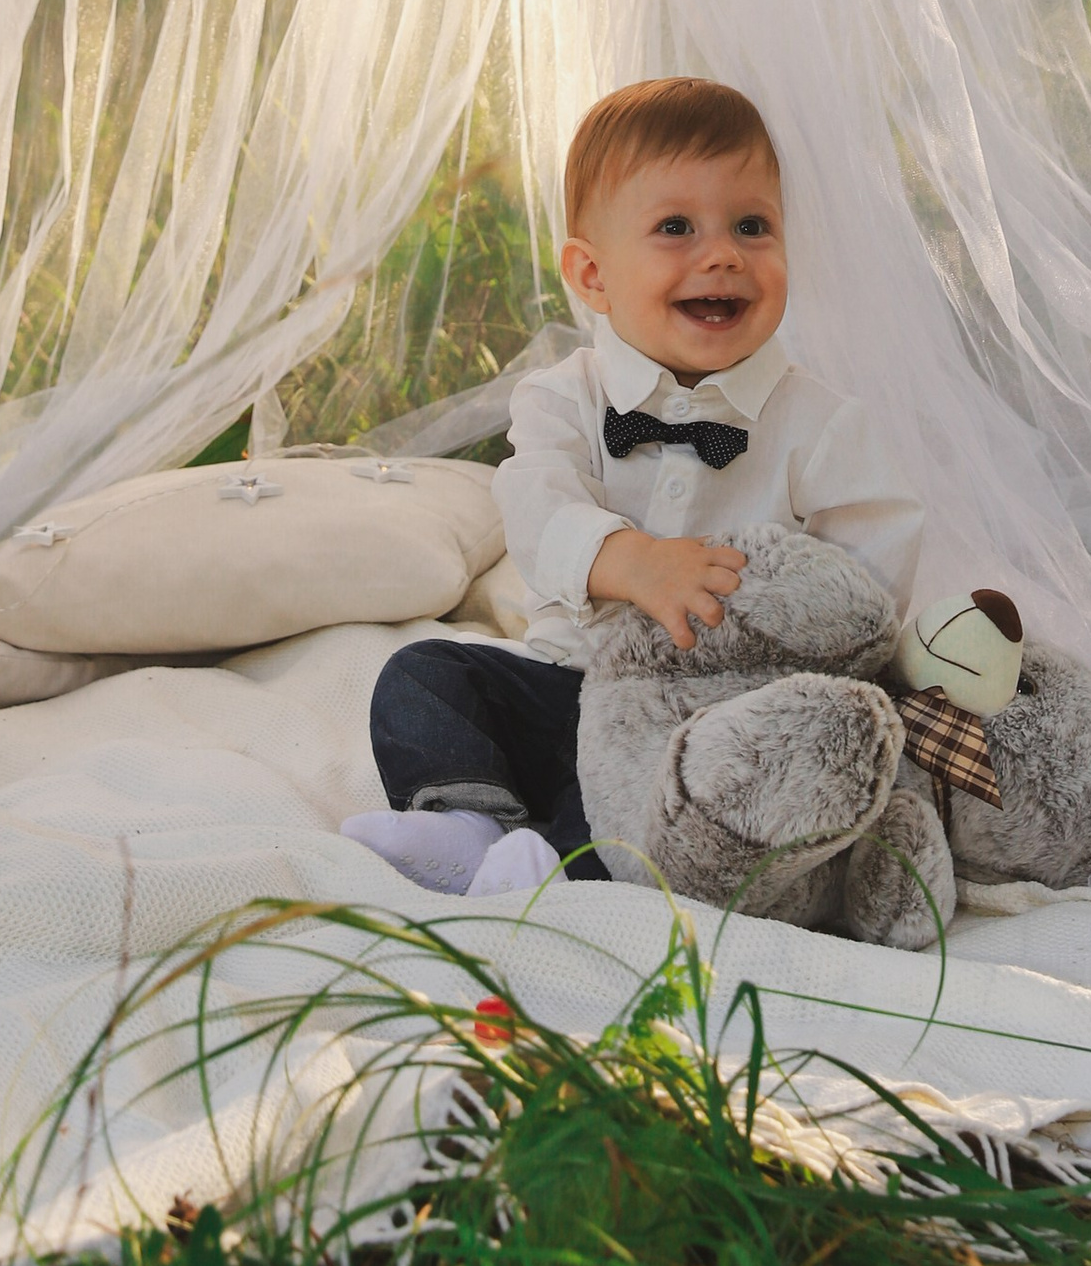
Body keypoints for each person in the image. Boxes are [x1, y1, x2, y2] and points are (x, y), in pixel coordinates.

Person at [344, 77, 926, 898]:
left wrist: (776, 629)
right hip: (568, 680)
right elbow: (536, 507)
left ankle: (554, 866)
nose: (723, 252)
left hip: (704, 717)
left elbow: (872, 571)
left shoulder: (822, 424)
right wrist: (634, 562)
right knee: (426, 674)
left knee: (637, 808)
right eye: (676, 228)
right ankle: (469, 826)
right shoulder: (562, 398)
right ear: (592, 274)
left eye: (752, 226)